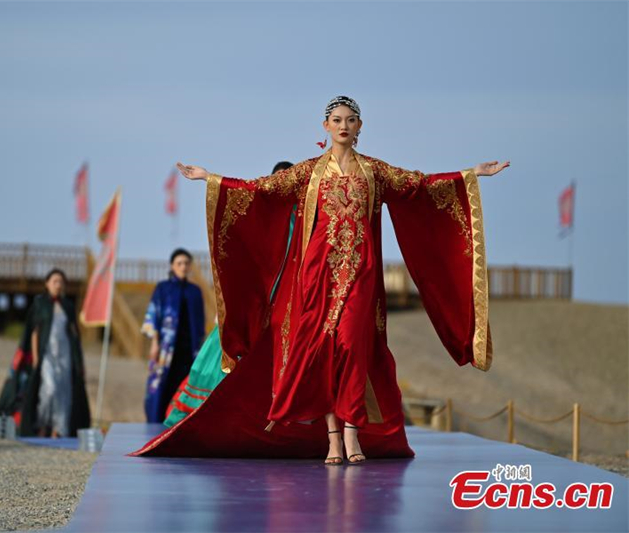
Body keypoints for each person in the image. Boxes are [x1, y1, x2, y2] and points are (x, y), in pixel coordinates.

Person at [132, 95, 509, 464]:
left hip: (360, 273)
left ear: (360, 127)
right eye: (337, 120)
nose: (343, 126)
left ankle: (352, 434)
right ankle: (334, 439)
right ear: (326, 127)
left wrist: (470, 174)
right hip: (318, 276)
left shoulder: (374, 172)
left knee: (350, 345)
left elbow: (420, 185)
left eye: (350, 120)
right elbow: (262, 188)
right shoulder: (310, 171)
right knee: (324, 350)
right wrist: (211, 179)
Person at [163, 162, 295, 428]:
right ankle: (215, 416)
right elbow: (238, 192)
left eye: (286, 181)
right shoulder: (261, 215)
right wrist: (207, 177)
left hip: (289, 302)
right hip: (257, 301)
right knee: (225, 355)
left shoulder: (303, 219)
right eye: (276, 181)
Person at [18, 268, 91, 437]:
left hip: (65, 355)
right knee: (49, 389)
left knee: (64, 392)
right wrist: (36, 358)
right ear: (47, 283)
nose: (58, 285)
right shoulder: (40, 304)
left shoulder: (68, 306)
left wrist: (79, 361)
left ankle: (58, 430)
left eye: (61, 282)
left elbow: (74, 334)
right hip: (46, 354)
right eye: (54, 281)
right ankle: (42, 426)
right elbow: (35, 332)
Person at [142, 248, 206, 423]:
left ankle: (180, 424)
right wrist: (155, 343)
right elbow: (153, 315)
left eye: (186, 263)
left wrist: (201, 348)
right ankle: (155, 423)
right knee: (161, 387)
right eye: (179, 263)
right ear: (172, 266)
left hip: (189, 350)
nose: (183, 267)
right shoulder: (163, 288)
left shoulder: (195, 292)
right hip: (166, 349)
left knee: (185, 387)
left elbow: (200, 323)